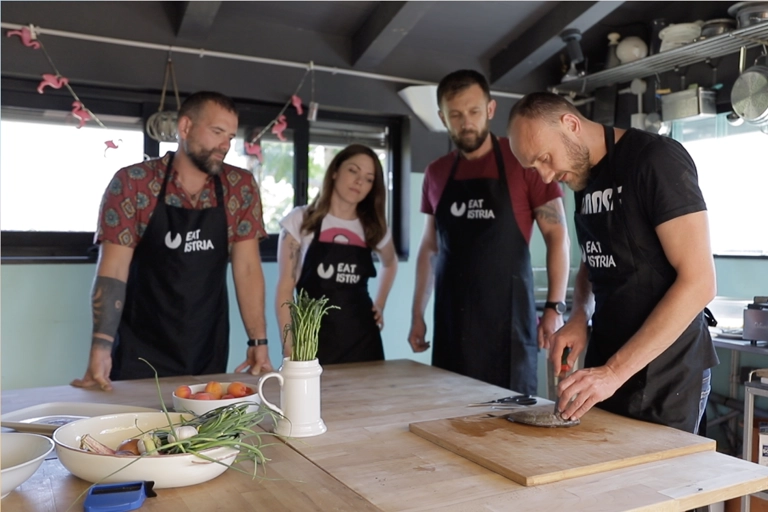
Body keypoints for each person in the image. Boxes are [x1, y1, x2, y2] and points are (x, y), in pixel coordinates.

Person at [507, 91, 718, 433]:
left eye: (545, 158)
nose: (545, 176)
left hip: (667, 375)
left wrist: (614, 372)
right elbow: (594, 256)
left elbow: (700, 282)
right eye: (534, 167)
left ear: (571, 124)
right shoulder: (582, 176)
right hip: (607, 369)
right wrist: (579, 316)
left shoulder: (656, 159)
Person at [72, 91, 274, 390]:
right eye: (217, 132)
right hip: (140, 347)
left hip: (207, 346)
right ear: (185, 127)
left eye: (230, 137)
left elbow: (247, 269)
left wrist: (258, 341)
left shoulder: (240, 187)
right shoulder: (134, 183)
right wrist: (101, 348)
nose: (225, 145)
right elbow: (113, 270)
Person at [408, 70, 570, 395]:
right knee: (450, 413)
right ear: (443, 117)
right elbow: (430, 248)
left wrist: (554, 307)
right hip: (453, 322)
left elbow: (557, 236)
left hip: (509, 324)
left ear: (490, 109)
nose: (466, 122)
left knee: (510, 417)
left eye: (474, 111)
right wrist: (417, 314)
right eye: (456, 114)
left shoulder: (523, 161)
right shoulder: (436, 173)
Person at [276, 144, 398, 364]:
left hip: (364, 342)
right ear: (334, 171)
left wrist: (380, 303)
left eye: (369, 179)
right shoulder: (300, 220)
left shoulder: (373, 227)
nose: (359, 182)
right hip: (312, 342)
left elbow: (390, 263)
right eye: (353, 171)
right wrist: (289, 348)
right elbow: (285, 291)